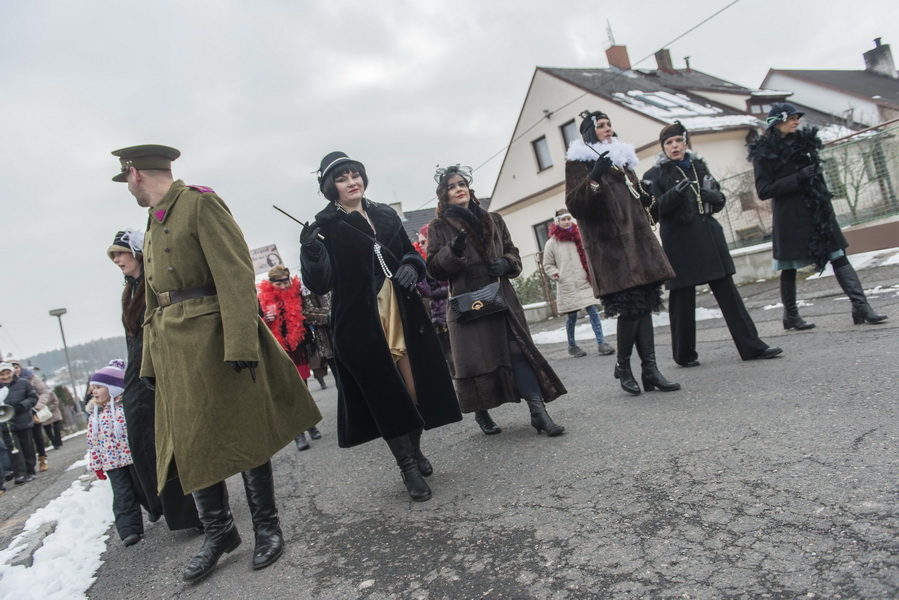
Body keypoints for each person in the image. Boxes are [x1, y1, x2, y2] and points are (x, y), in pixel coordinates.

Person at [111, 144, 321, 582]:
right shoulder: (152, 220)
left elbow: (235, 273)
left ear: (136, 173)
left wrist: (241, 343)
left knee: (243, 433)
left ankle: (266, 527)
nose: (127, 187)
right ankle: (220, 531)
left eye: (125, 178)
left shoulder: (199, 203)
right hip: (173, 352)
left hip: (213, 340)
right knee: (191, 441)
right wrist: (149, 362)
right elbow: (153, 301)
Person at [301, 151, 461, 502]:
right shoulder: (326, 225)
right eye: (342, 178)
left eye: (354, 174)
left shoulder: (385, 214)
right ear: (330, 186)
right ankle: (407, 466)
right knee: (386, 396)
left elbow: (409, 252)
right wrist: (310, 251)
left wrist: (411, 266)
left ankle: (415, 449)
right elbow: (320, 282)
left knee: (414, 391)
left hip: (402, 312)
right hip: (359, 323)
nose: (351, 182)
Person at [427, 165, 567, 436]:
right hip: (469, 303)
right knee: (475, 361)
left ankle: (538, 413)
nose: (459, 189)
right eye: (452, 187)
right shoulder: (439, 226)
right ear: (444, 195)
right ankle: (481, 411)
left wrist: (506, 263)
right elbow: (433, 269)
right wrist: (452, 252)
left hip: (502, 299)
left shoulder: (493, 219)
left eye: (462, 184)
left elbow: (512, 251)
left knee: (518, 351)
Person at [643, 122, 783, 367]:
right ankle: (684, 354)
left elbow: (717, 199)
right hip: (680, 243)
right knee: (682, 300)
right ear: (663, 148)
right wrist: (675, 194)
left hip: (709, 237)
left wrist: (716, 197)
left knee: (729, 295)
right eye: (669, 143)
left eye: (678, 141)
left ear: (686, 143)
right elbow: (652, 211)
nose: (675, 146)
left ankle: (752, 346)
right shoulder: (654, 175)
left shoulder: (698, 166)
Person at [565, 110, 681, 396]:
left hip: (638, 244)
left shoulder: (622, 158)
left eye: (609, 124)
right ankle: (624, 366)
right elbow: (576, 205)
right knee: (630, 308)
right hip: (611, 249)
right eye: (601, 125)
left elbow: (638, 201)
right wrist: (594, 177)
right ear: (589, 132)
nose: (608, 128)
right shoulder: (579, 162)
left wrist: (647, 195)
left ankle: (650, 370)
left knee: (645, 306)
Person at [748, 103, 887, 328]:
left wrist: (823, 200)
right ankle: (791, 316)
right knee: (789, 265)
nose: (797, 121)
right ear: (778, 121)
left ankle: (861, 306)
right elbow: (764, 191)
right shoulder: (763, 153)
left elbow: (817, 176)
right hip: (790, 216)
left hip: (817, 210)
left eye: (797, 118)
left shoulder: (804, 143)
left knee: (838, 254)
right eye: (792, 118)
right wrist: (797, 178)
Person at [106, 229, 201, 532]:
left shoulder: (152, 285)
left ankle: (191, 512)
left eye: (120, 253)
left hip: (159, 369)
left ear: (136, 252)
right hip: (137, 373)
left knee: (169, 440)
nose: (116, 259)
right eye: (113, 255)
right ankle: (160, 504)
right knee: (142, 438)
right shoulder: (130, 289)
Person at [257, 264, 323, 451]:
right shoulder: (261, 301)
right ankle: (298, 434)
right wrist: (266, 320)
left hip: (298, 349)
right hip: (278, 352)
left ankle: (310, 425)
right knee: (287, 392)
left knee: (302, 389)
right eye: (279, 283)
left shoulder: (296, 294)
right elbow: (256, 325)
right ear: (271, 283)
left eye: (286, 282)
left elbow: (306, 315)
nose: (284, 286)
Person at [86, 360, 148, 547]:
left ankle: (159, 509)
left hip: (133, 459)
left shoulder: (125, 409)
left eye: (99, 387)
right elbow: (93, 443)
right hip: (112, 464)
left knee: (145, 489)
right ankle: (129, 530)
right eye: (93, 388)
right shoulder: (95, 416)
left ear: (113, 388)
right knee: (122, 495)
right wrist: (97, 465)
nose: (94, 391)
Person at [542, 208, 615, 358]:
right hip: (567, 284)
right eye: (563, 219)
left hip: (583, 281)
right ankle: (572, 345)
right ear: (557, 221)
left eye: (569, 218)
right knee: (572, 317)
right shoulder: (552, 243)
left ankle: (602, 343)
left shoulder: (579, 236)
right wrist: (558, 275)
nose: (567, 221)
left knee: (593, 311)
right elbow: (547, 264)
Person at [8, 359, 63, 468]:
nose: (15, 370)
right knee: (22, 440)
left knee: (37, 436)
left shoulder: (31, 377)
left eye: (16, 367)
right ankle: (26, 464)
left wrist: (36, 407)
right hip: (16, 414)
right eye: (12, 367)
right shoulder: (6, 381)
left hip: (32, 410)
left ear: (21, 367)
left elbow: (43, 392)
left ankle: (42, 458)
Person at [414, 225, 452, 369]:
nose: (420, 245)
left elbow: (447, 287)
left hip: (450, 317)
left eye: (423, 242)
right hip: (440, 319)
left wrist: (424, 287)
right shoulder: (426, 263)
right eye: (419, 243)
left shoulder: (443, 261)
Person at [0, 362, 37, 483]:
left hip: (23, 419)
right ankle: (19, 473)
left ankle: (30, 470)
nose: (5, 376)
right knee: (13, 448)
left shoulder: (24, 383)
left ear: (12, 372)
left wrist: (22, 406)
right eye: (2, 374)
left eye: (8, 373)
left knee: (27, 447)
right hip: (6, 423)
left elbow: (33, 397)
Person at [300, 286, 334, 390]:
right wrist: (328, 315)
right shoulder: (305, 289)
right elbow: (305, 312)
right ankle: (321, 379)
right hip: (327, 341)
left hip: (348, 336)